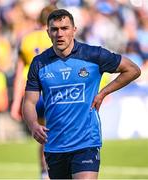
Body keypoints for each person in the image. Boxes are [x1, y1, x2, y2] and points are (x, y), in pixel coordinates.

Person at [22, 9, 141, 179]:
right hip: (55, 145)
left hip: (86, 142)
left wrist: (103, 93)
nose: (60, 34)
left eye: (65, 28)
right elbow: (29, 102)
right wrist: (33, 124)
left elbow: (132, 70)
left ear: (74, 30)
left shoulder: (93, 55)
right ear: (48, 32)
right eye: (55, 29)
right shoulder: (39, 63)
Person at [11, 5, 57, 180]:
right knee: (56, 132)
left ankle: (44, 173)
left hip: (32, 92)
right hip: (52, 90)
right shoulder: (57, 37)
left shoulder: (26, 40)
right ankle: (56, 170)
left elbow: (19, 74)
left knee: (43, 133)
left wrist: (16, 103)